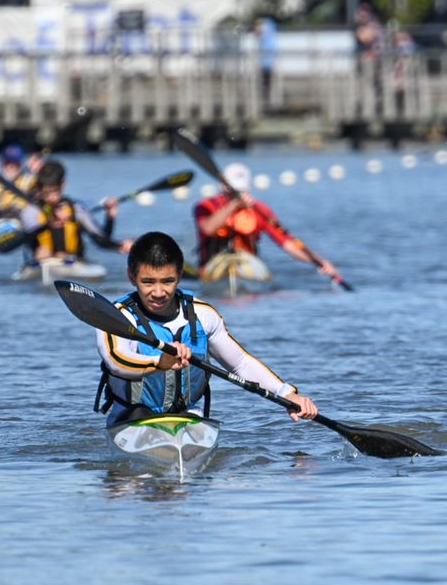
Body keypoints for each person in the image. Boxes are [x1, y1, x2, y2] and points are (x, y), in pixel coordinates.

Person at [95, 231, 319, 427]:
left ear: (180, 276)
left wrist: (288, 394)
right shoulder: (116, 317)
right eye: (148, 282)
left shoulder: (203, 315)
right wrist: (159, 362)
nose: (159, 292)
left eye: (168, 281)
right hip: (131, 419)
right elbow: (117, 362)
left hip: (190, 419)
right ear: (131, 277)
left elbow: (240, 363)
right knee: (139, 414)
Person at [193, 162, 339, 278]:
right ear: (223, 187)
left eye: (242, 190)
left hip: (247, 265)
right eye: (235, 191)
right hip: (211, 266)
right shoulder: (205, 207)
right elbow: (208, 229)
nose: (239, 195)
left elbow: (287, 243)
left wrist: (318, 262)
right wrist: (234, 205)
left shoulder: (260, 210)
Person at [19, 159, 130, 262]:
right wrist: (49, 224)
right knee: (44, 252)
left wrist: (110, 219)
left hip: (74, 263)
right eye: (46, 193)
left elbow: (101, 240)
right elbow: (25, 238)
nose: (51, 198)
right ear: (39, 189)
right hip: (40, 261)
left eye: (55, 192)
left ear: (63, 185)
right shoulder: (31, 211)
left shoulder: (76, 209)